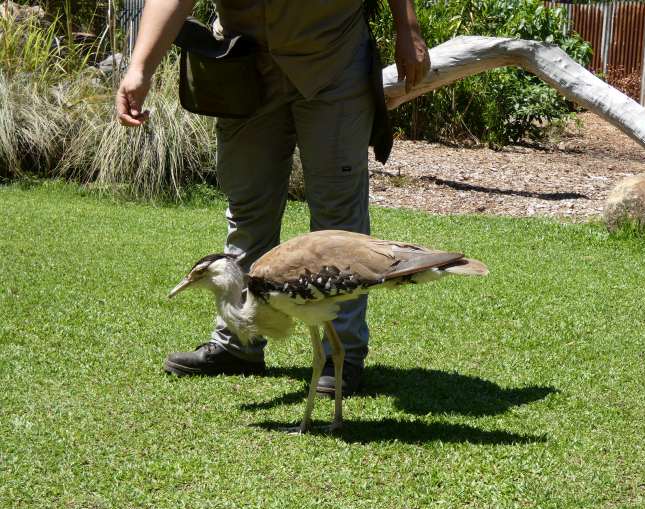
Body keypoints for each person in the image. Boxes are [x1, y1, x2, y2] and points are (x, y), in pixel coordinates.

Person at [116, 0, 430, 396]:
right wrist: (140, 65)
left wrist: (408, 28)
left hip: (331, 57)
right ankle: (239, 342)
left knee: (337, 215)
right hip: (244, 65)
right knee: (247, 207)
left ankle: (343, 355)